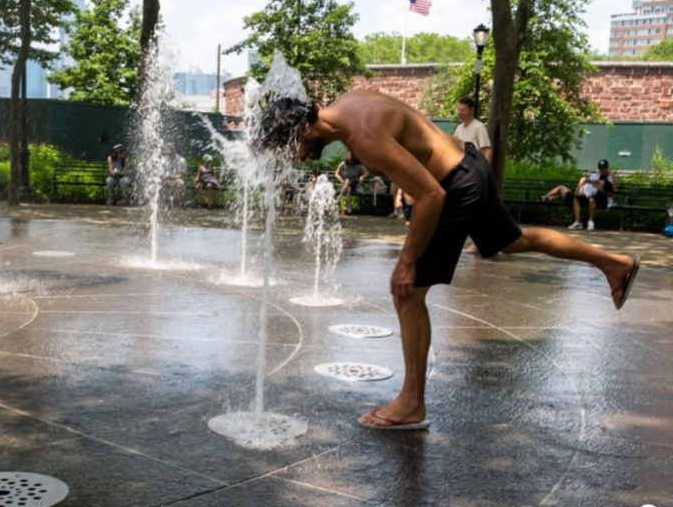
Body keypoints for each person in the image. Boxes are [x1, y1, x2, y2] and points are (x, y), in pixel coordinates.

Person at [258, 90, 640, 431]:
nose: (295, 157)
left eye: (288, 148)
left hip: (453, 185)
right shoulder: (348, 105)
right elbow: (401, 135)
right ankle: (614, 262)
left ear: (303, 131)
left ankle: (411, 403)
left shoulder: (363, 137)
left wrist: (406, 262)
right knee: (515, 240)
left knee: (407, 291)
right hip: (468, 164)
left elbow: (430, 196)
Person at [542, 159, 618, 231]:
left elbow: (613, 188)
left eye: (604, 168)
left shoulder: (609, 178)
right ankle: (547, 198)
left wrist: (610, 175)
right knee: (572, 194)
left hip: (595, 197)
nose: (602, 170)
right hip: (584, 194)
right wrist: (582, 185)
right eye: (601, 168)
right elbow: (586, 182)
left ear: (607, 168)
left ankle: (548, 197)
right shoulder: (595, 175)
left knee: (566, 191)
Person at [453, 96, 492, 161]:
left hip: (475, 165)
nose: (460, 112)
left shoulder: (479, 127)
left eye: (463, 110)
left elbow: (487, 151)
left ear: (471, 110)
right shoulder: (458, 128)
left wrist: (483, 169)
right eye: (458, 110)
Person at [334, 150, 368, 214]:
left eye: (351, 156)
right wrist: (340, 179)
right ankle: (348, 208)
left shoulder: (358, 165)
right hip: (345, 184)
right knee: (348, 189)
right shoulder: (343, 164)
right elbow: (336, 173)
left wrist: (362, 176)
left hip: (355, 183)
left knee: (347, 182)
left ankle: (338, 199)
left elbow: (367, 173)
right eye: (348, 155)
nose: (349, 157)